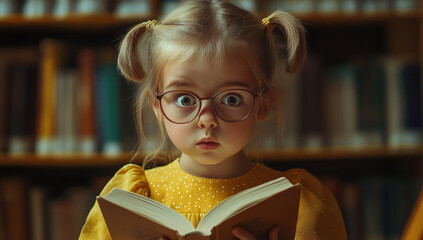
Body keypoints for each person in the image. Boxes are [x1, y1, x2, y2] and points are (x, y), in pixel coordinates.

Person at [79, 0, 347, 239]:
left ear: (263, 104)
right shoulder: (133, 198)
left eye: (231, 99)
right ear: (157, 106)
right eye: (184, 99)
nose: (207, 120)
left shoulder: (298, 203)